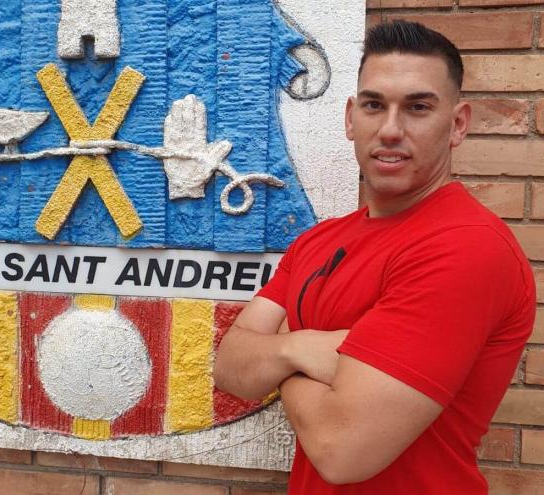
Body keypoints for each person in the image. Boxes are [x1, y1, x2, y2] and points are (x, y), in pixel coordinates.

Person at [214, 20, 535, 494]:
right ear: (350, 117)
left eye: (418, 107)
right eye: (373, 105)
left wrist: (279, 350)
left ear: (458, 123)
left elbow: (342, 451)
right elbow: (229, 368)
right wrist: (301, 349)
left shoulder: (466, 247)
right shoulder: (317, 242)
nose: (389, 129)